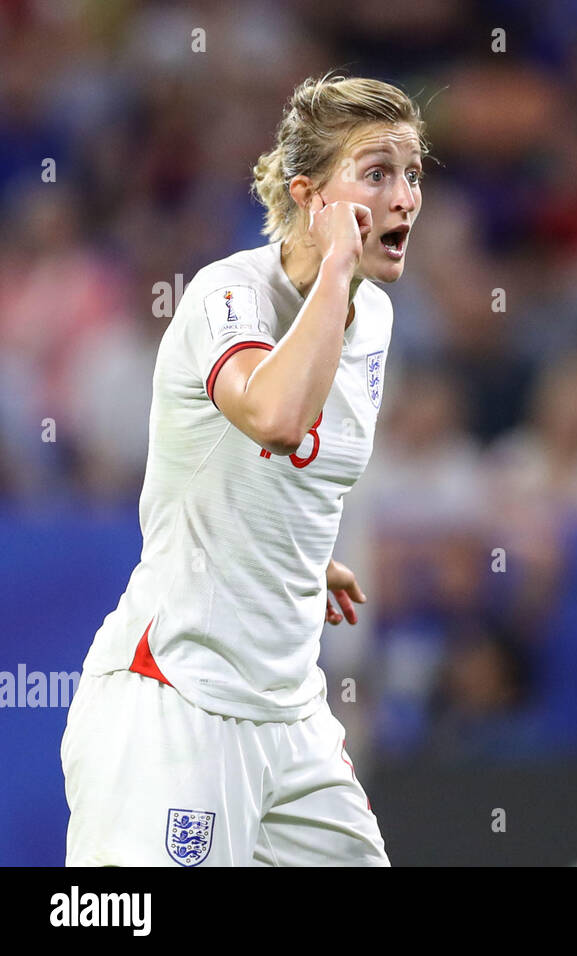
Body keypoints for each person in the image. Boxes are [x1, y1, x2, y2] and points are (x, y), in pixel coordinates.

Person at [61, 73, 427, 866]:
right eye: (377, 173)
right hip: (177, 700)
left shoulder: (376, 317)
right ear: (308, 195)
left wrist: (285, 552)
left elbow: (279, 467)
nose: (405, 198)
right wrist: (333, 271)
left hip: (291, 717)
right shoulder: (226, 295)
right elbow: (272, 415)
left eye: (413, 173)